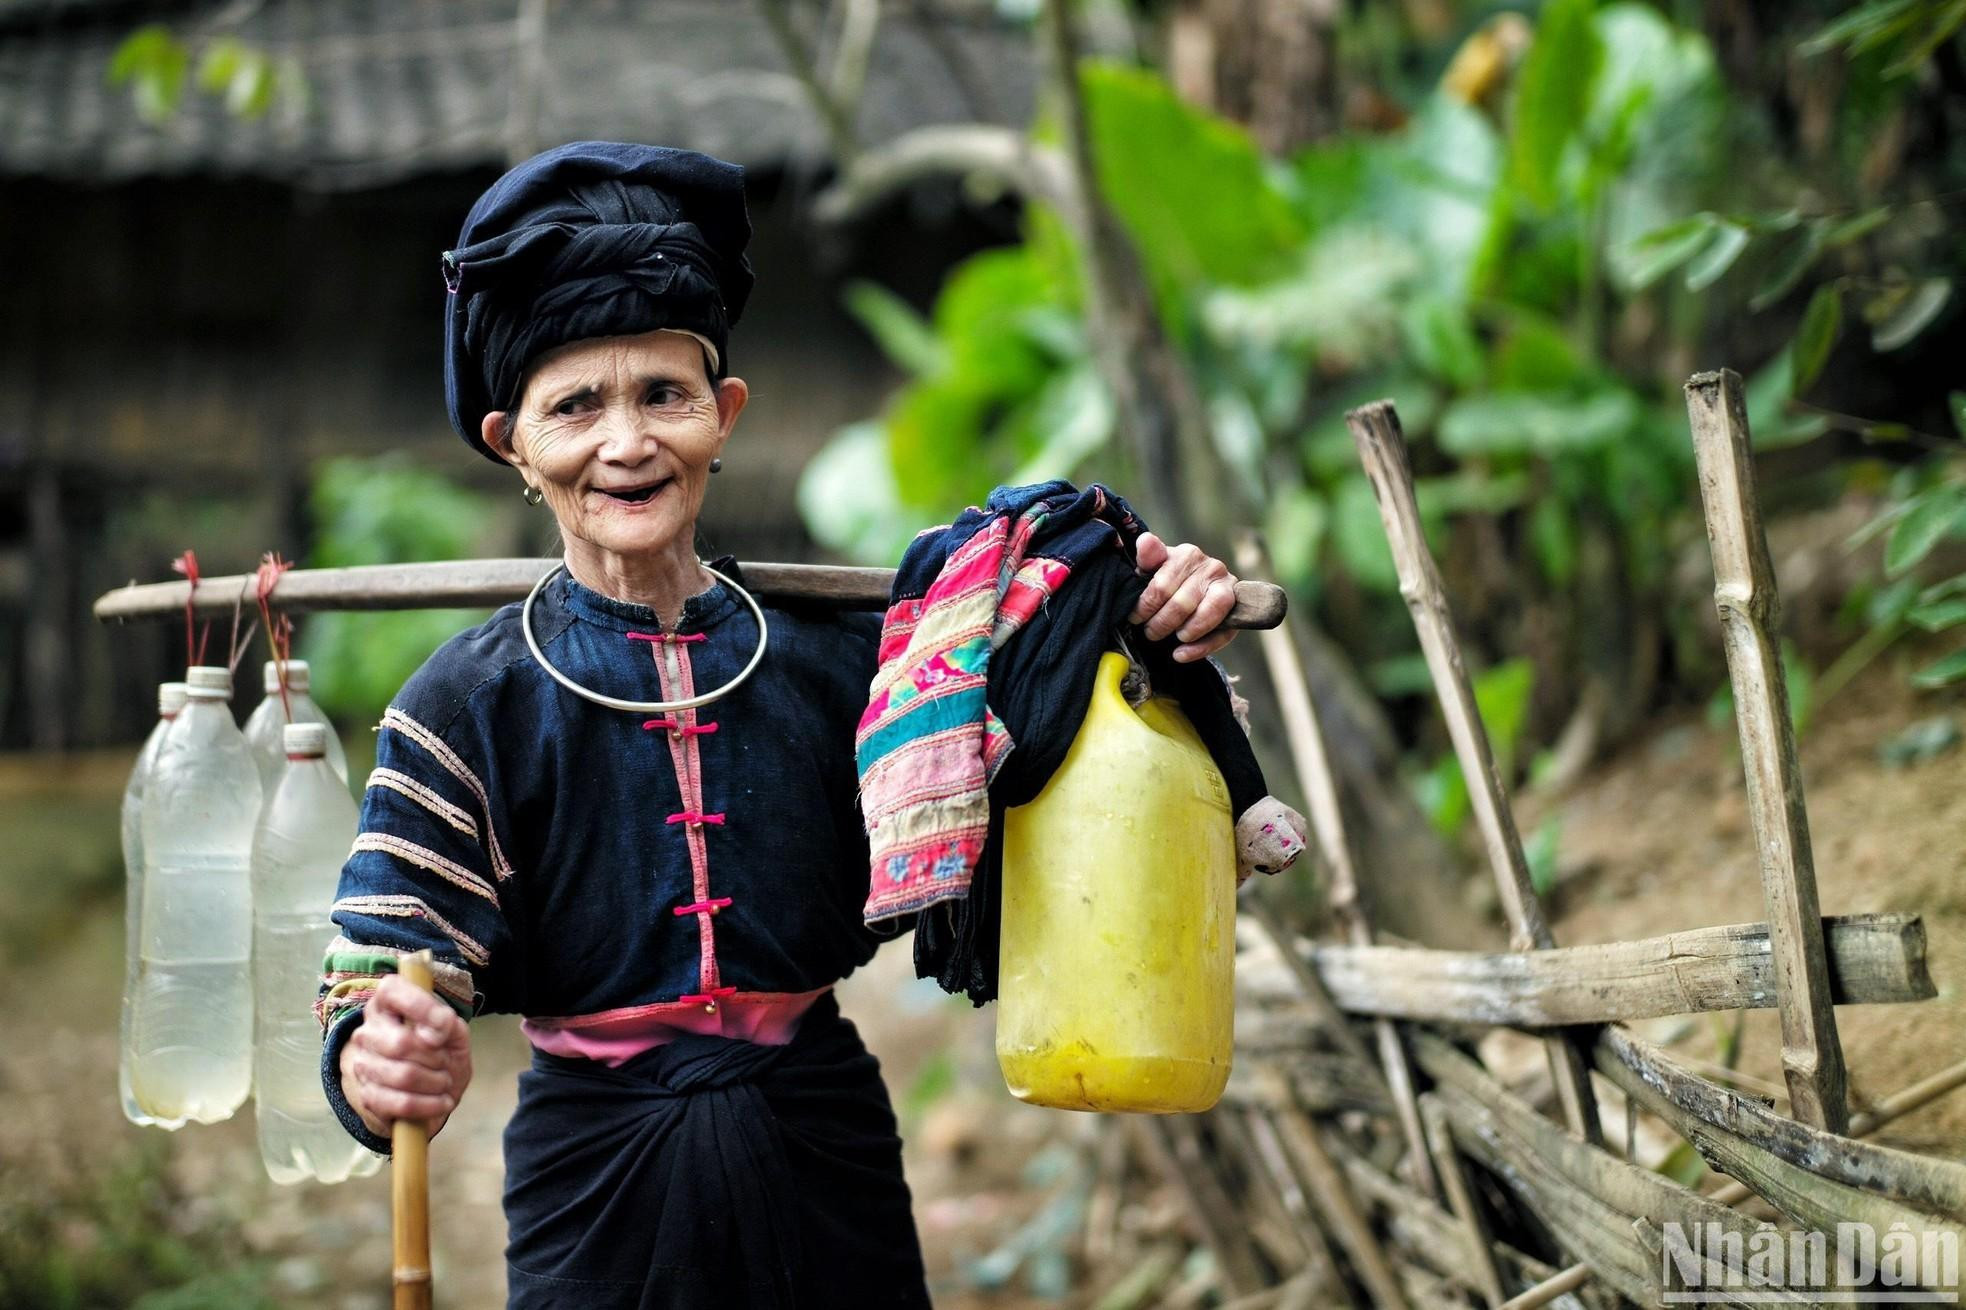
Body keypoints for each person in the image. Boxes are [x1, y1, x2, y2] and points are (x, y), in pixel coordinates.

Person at [317, 142, 1248, 1310]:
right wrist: (377, 1054)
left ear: (725, 413)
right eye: (575, 407)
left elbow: (1061, 741)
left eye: (665, 393)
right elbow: (376, 971)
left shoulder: (844, 662)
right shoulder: (467, 702)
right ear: (513, 444)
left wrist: (1156, 623)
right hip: (596, 1169)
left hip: (823, 1131)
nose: (626, 441)